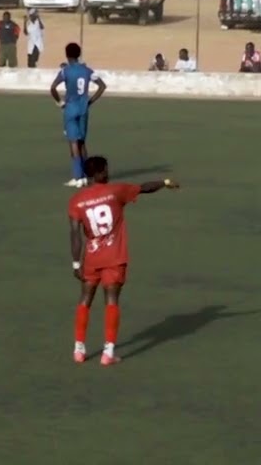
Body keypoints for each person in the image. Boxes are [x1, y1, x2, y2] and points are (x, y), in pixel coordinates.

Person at [68, 155, 180, 366]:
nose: (109, 173)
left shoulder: (76, 201)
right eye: (106, 169)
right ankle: (108, 352)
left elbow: (74, 234)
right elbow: (144, 188)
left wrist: (76, 263)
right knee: (111, 301)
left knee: (85, 300)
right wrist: (164, 183)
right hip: (114, 257)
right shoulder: (116, 191)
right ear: (100, 172)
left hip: (91, 258)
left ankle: (79, 349)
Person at [51, 42, 107, 187]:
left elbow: (52, 88)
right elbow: (102, 86)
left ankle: (77, 177)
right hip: (83, 109)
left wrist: (60, 102)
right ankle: (87, 175)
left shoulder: (65, 71)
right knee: (82, 142)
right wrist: (90, 101)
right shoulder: (87, 70)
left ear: (67, 55)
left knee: (73, 142)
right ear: (79, 54)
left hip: (70, 109)